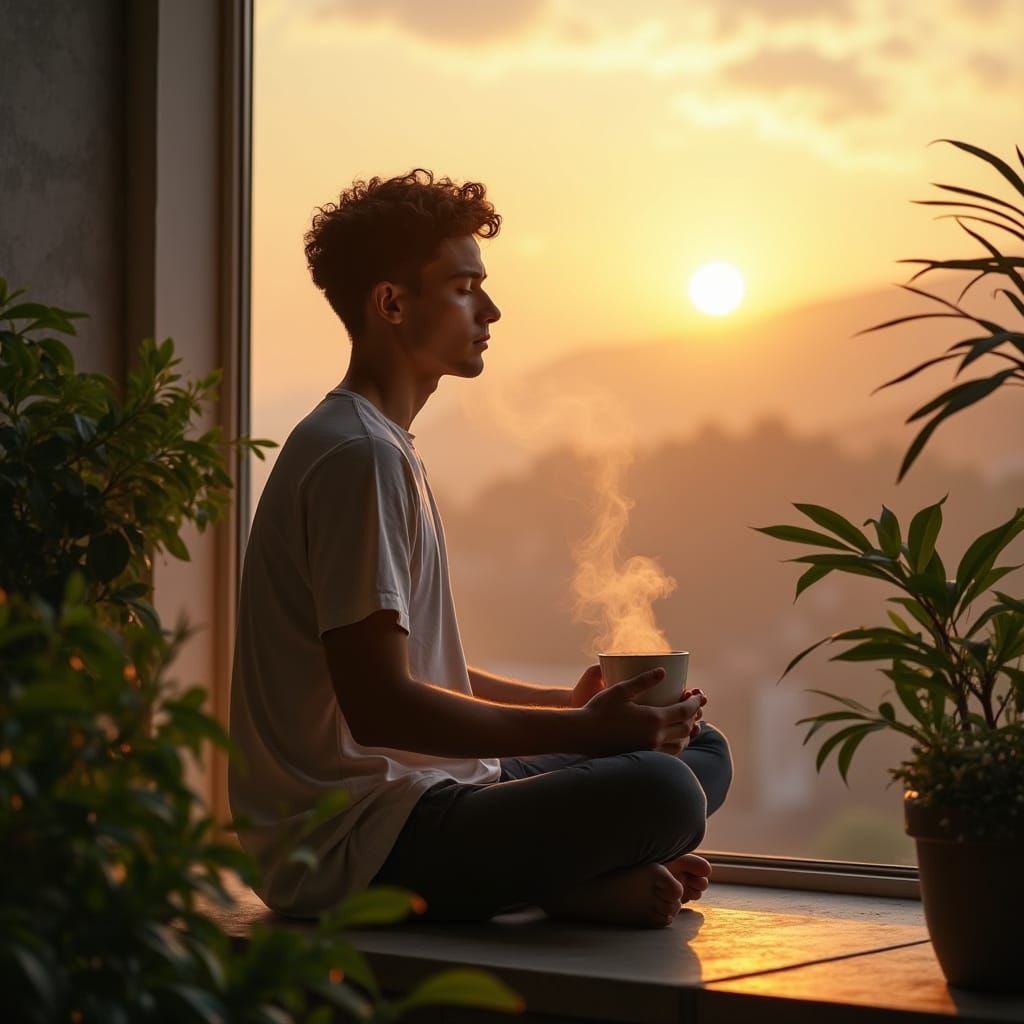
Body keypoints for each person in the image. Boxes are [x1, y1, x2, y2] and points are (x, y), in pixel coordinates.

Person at [229, 169, 733, 928]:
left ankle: (569, 875)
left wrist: (567, 705)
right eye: (464, 287)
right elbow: (381, 707)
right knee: (662, 791)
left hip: (431, 794)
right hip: (354, 846)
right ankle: (564, 881)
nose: (491, 309)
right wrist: (583, 735)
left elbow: (413, 666)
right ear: (392, 303)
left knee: (698, 750)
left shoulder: (381, 445)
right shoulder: (355, 456)